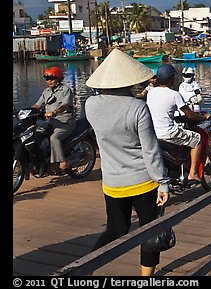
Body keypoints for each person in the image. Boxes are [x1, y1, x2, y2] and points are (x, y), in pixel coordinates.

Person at [84, 48, 170, 276]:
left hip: (112, 181)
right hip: (143, 181)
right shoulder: (137, 108)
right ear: (130, 81)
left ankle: (87, 268)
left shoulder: (90, 105)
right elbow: (150, 150)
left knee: (116, 229)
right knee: (149, 231)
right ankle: (145, 278)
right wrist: (162, 182)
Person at [146, 64, 210, 183]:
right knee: (197, 139)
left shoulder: (151, 93)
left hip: (153, 133)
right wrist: (203, 117)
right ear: (171, 79)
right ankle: (193, 172)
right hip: (169, 133)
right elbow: (190, 115)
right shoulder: (174, 94)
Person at [31, 66, 76, 172]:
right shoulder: (46, 92)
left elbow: (65, 105)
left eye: (52, 79)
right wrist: (22, 111)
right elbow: (37, 106)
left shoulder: (66, 90)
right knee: (37, 134)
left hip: (65, 122)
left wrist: (55, 112)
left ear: (59, 79)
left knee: (54, 138)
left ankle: (62, 162)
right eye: (47, 79)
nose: (49, 81)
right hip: (51, 122)